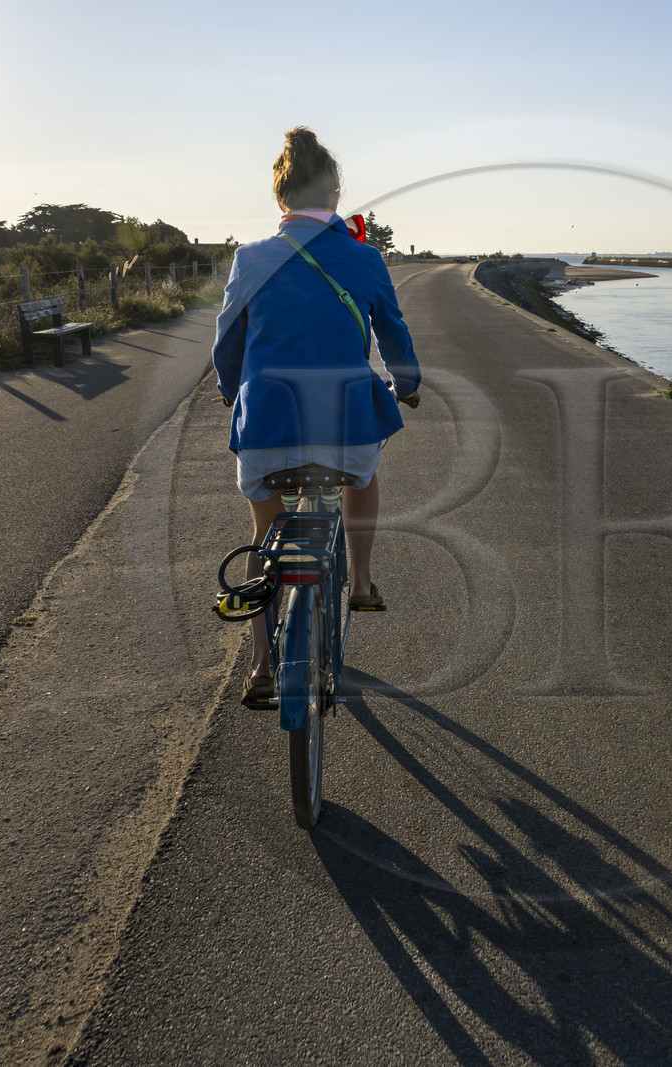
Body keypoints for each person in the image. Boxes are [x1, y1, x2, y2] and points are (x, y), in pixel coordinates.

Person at [213, 126, 421, 708]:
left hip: (267, 430)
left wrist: (235, 393)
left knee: (263, 534)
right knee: (364, 472)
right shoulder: (364, 257)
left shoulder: (250, 259)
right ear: (334, 196)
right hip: (346, 430)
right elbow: (394, 335)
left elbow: (226, 342)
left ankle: (259, 665)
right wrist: (406, 384)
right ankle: (358, 583)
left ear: (280, 198)